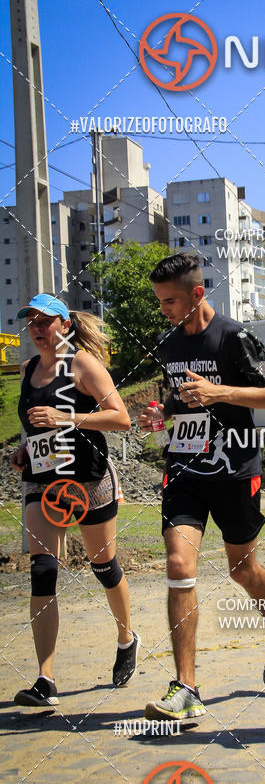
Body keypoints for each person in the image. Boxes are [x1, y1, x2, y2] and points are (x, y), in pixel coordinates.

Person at [139, 253, 265, 722]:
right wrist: (161, 416)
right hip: (184, 470)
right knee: (178, 565)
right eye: (159, 301)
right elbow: (176, 396)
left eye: (169, 301)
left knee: (242, 571)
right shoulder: (167, 343)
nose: (163, 309)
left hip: (235, 470)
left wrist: (220, 392)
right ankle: (186, 686)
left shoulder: (233, 337)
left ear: (197, 294)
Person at [11, 294, 138, 707]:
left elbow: (121, 417)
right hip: (42, 483)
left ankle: (126, 637)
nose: (36, 327)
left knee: (103, 566)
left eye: (44, 320)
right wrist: (25, 450)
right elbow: (34, 426)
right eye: (30, 320)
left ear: (64, 325)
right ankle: (46, 680)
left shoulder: (82, 364)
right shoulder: (28, 368)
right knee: (43, 570)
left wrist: (67, 418)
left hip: (87, 480)